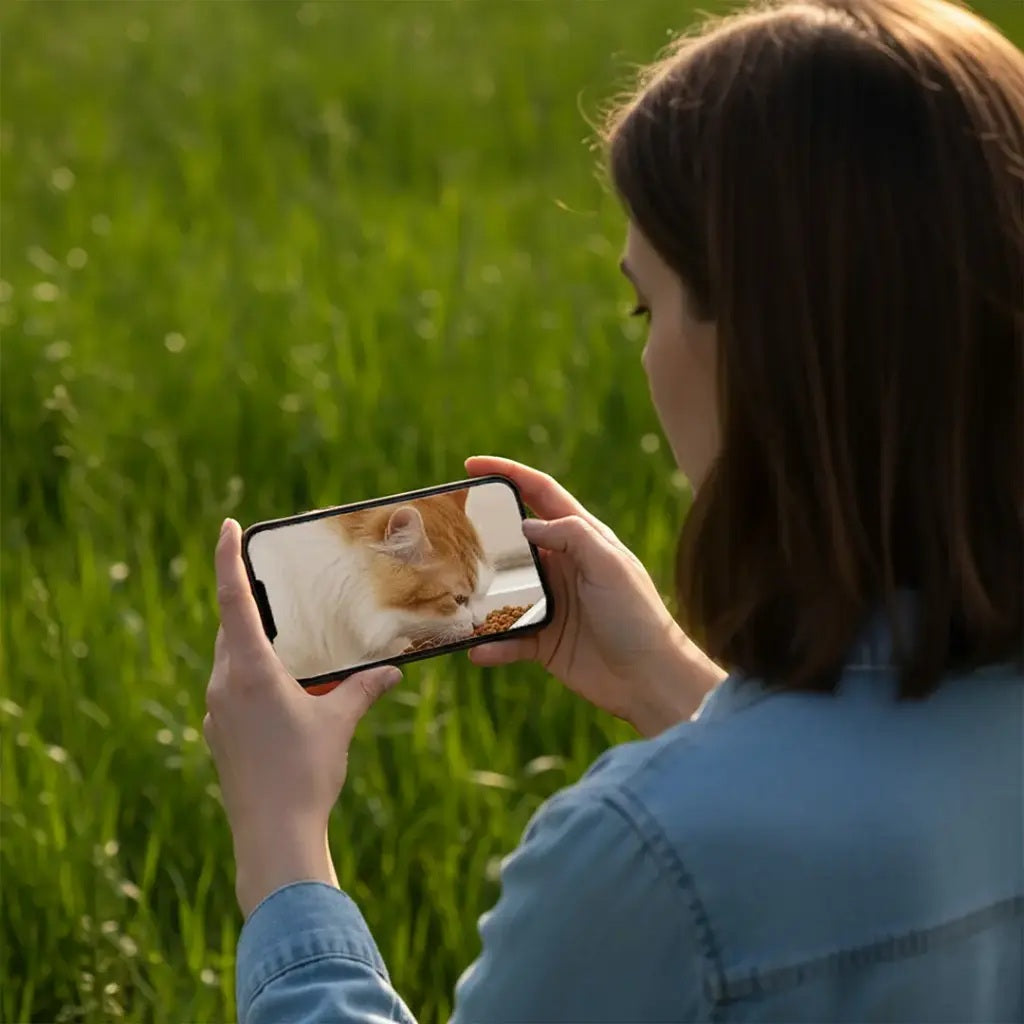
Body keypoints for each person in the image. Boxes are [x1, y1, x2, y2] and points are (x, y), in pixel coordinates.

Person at [202, 0, 1024, 1019]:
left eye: (648, 303)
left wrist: (280, 847)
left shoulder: (646, 859)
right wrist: (672, 681)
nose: (644, 352)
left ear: (759, 349)